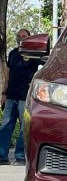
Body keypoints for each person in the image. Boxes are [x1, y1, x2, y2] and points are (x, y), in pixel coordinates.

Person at [0, 29, 40, 165]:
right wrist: (4, 93)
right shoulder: (12, 54)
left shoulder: (35, 54)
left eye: (24, 36)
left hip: (25, 97)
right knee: (5, 126)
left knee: (24, 128)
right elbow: (8, 74)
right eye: (19, 36)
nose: (21, 38)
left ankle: (20, 157)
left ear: (29, 38)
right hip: (11, 96)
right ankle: (2, 156)